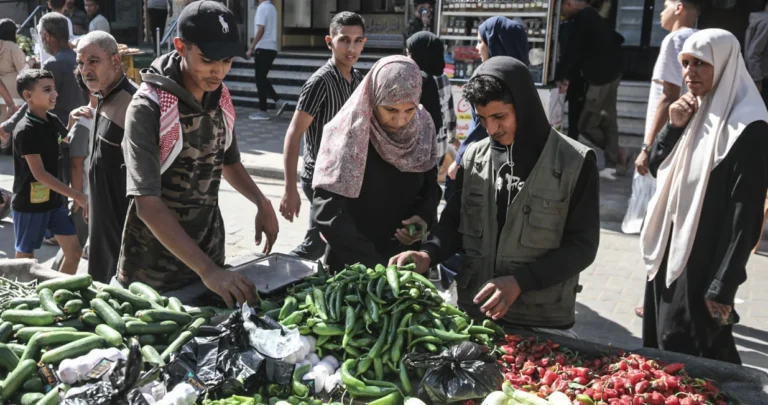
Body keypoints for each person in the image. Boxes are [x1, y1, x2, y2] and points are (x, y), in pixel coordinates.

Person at [390, 56, 600, 333]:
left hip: (541, 320)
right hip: (474, 312)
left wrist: (521, 282)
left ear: (524, 107)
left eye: (500, 117)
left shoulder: (575, 162)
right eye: (482, 119)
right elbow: (454, 221)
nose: (491, 129)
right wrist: (429, 254)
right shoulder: (475, 156)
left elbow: (583, 246)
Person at [120, 1, 279, 307]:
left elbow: (229, 161)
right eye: (207, 60)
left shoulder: (220, 97)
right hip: (153, 275)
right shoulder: (148, 107)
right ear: (181, 46)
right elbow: (147, 205)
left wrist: (261, 201)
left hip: (210, 258)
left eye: (227, 61)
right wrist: (209, 271)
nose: (218, 71)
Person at [641, 29, 768, 365]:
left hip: (705, 260)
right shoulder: (692, 109)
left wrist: (723, 285)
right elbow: (657, 166)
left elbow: (747, 215)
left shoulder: (749, 126)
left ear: (724, 65)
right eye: (685, 63)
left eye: (700, 63)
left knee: (693, 350)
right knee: (660, 345)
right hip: (670, 248)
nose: (689, 72)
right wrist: (674, 125)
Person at [312, 55, 441, 272]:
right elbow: (326, 211)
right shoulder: (350, 132)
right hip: (354, 264)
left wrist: (423, 217)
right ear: (373, 99)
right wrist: (374, 266)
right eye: (390, 110)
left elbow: (431, 186)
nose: (400, 120)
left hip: (405, 262)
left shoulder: (423, 127)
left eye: (409, 109)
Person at [281, 12, 367, 260]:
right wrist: (289, 189)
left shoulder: (359, 80)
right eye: (344, 40)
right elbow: (294, 133)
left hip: (343, 177)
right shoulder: (320, 82)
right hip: (319, 178)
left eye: (357, 41)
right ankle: (282, 279)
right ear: (329, 41)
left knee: (319, 244)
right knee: (334, 241)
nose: (351, 48)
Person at [623, 0, 698, 237]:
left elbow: (668, 97)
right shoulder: (701, 39)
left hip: (668, 134)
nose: (660, 13)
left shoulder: (675, 40)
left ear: (679, 8)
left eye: (665, 6)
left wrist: (647, 147)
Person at [74, 31, 137, 283]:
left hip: (124, 226)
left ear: (114, 60)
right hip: (101, 218)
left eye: (93, 61)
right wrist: (91, 196)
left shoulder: (133, 104)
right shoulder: (102, 97)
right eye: (80, 63)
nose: (85, 70)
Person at [11, 69, 86, 274]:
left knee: (74, 252)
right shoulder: (25, 130)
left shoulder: (51, 120)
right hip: (30, 205)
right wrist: (77, 195)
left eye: (53, 88)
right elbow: (40, 175)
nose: (54, 94)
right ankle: (23, 301)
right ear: (28, 95)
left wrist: (72, 118)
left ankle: (57, 294)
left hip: (54, 202)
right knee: (25, 263)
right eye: (46, 89)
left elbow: (65, 140)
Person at [447, 17, 529, 191]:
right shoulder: (523, 74)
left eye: (480, 41)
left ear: (494, 43)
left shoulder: (487, 77)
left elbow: (481, 127)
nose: (477, 47)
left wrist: (460, 159)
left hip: (488, 158)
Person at [559, 0, 628, 175]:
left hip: (601, 78)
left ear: (569, 3)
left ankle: (616, 153)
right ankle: (615, 162)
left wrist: (562, 76)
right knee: (609, 120)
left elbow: (572, 51)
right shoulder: (594, 17)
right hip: (614, 73)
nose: (561, 13)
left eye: (561, 8)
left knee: (586, 124)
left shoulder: (583, 18)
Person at [246, 0, 285, 121]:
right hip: (272, 48)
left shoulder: (262, 8)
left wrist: (251, 47)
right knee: (261, 78)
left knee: (260, 79)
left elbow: (261, 29)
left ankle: (263, 111)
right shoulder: (272, 8)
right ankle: (278, 101)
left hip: (263, 47)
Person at [406, 32, 443, 155]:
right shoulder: (443, 78)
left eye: (409, 53)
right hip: (438, 147)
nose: (407, 57)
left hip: (416, 152)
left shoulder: (416, 78)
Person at [0, 19, 25, 122]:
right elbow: (23, 70)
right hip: (14, 92)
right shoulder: (12, 46)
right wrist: (31, 62)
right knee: (16, 123)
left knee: (3, 121)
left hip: (2, 91)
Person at [745, 2, 768, 104]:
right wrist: (757, 80)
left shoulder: (760, 20)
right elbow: (753, 53)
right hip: (762, 79)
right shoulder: (766, 22)